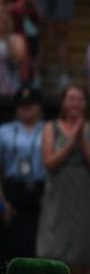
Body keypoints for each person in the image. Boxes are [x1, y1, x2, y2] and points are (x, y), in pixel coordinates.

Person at [36, 83, 90, 274]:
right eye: (70, 99)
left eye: (79, 99)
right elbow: (49, 162)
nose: (75, 103)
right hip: (58, 193)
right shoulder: (50, 127)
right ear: (63, 102)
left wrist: (81, 141)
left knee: (89, 252)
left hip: (84, 192)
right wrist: (70, 142)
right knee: (54, 250)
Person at [0, 85, 46, 262]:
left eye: (31, 104)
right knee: (11, 243)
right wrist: (1, 201)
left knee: (38, 244)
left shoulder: (50, 130)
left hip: (41, 191)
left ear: (39, 107)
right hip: (13, 190)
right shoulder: (4, 132)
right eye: (22, 105)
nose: (26, 109)